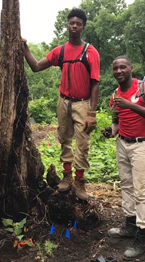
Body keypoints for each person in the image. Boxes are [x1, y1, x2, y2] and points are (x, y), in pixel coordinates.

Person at [23, 8, 100, 200]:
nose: (74, 26)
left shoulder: (90, 52)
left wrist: (92, 112)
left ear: (83, 27)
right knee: (64, 138)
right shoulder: (62, 51)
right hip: (63, 101)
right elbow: (36, 67)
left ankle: (80, 181)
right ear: (67, 25)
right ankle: (66, 177)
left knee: (82, 142)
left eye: (78, 24)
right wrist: (25, 49)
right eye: (71, 23)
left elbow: (95, 82)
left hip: (83, 103)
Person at [105, 56, 145, 260]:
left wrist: (131, 105)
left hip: (142, 145)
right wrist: (112, 131)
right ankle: (129, 225)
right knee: (126, 186)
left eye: (123, 67)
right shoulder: (115, 94)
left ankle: (141, 237)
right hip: (123, 143)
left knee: (141, 192)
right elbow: (117, 119)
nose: (119, 71)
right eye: (115, 68)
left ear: (131, 68)